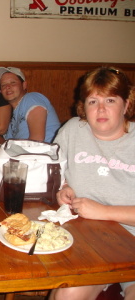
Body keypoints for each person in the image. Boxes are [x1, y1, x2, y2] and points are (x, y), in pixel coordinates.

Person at [49, 67, 135, 300]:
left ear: (126, 104)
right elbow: (54, 172)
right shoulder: (72, 130)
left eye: (110, 99)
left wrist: (104, 211)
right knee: (67, 294)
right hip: (88, 241)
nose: (101, 109)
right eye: (92, 101)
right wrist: (62, 188)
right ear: (83, 107)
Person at [0, 66, 61, 143]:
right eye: (3, 85)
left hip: (45, 153)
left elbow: (37, 141)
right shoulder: (13, 120)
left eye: (13, 83)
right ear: (1, 91)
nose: (8, 87)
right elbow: (7, 144)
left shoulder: (32, 98)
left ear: (24, 85)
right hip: (28, 153)